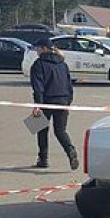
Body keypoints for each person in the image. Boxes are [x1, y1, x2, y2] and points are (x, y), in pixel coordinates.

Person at [29, 37, 79, 169]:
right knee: (60, 131)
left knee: (41, 129)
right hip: (62, 101)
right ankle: (70, 150)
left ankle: (43, 159)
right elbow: (69, 85)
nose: (36, 51)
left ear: (44, 49)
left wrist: (37, 105)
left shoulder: (38, 64)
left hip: (46, 102)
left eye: (38, 48)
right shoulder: (63, 64)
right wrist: (68, 103)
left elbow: (38, 87)